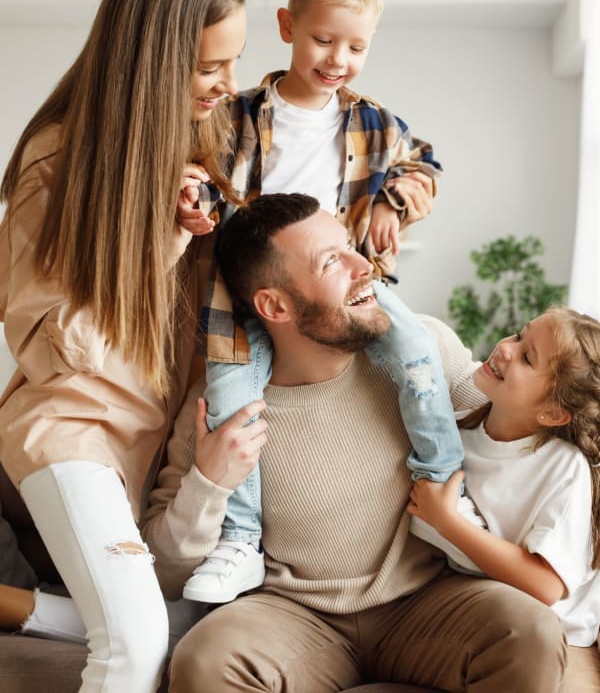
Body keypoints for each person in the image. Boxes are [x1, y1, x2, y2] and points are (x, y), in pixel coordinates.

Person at [142, 193, 567, 692]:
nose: (364, 265)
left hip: (428, 603)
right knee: (205, 658)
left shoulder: (422, 350)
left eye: (349, 245)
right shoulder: (219, 409)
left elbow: (523, 411)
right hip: (294, 616)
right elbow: (164, 571)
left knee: (530, 629)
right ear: (274, 305)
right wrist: (209, 483)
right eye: (332, 261)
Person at [177, 0, 470, 605]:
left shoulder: (374, 123)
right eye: (322, 40)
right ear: (286, 27)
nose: (337, 60)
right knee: (230, 405)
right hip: (244, 292)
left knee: (418, 351)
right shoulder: (237, 116)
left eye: (355, 47)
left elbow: (425, 166)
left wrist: (396, 201)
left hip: (349, 288)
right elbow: (204, 176)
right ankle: (240, 539)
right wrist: (195, 199)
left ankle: (444, 483)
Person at [0, 0, 246, 692]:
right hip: (68, 429)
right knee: (135, 647)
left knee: (164, 629)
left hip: (143, 448)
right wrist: (161, 242)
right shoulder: (55, 162)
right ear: (154, 63)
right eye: (210, 67)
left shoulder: (202, 146)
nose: (227, 84)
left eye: (232, 62)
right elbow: (51, 349)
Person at [408, 306, 600, 647]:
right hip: (479, 604)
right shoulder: (456, 433)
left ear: (553, 412)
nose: (506, 347)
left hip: (551, 634)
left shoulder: (563, 467)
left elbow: (546, 587)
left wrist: (447, 521)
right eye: (518, 334)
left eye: (527, 357)